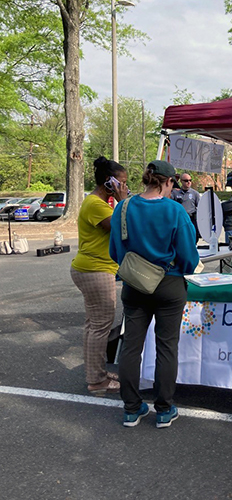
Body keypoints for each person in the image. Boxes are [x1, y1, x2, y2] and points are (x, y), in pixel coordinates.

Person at [109, 160, 199, 428]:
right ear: (169, 182)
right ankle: (164, 408)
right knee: (167, 347)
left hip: (134, 284)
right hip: (169, 284)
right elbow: (188, 257)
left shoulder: (124, 207)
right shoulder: (175, 210)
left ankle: (131, 408)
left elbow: (115, 251)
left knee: (131, 347)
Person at [70, 156, 129, 396]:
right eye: (122, 182)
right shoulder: (96, 204)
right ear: (109, 181)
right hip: (95, 270)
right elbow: (122, 226)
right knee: (100, 327)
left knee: (93, 325)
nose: (125, 186)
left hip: (92, 269)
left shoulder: (101, 203)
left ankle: (97, 373)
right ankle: (96, 380)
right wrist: (123, 200)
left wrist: (119, 200)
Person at [171, 172, 201, 243]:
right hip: (179, 220)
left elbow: (200, 208)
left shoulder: (195, 194)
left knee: (193, 239)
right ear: (181, 181)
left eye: (190, 180)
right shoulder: (175, 193)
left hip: (191, 219)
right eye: (186, 180)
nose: (188, 182)